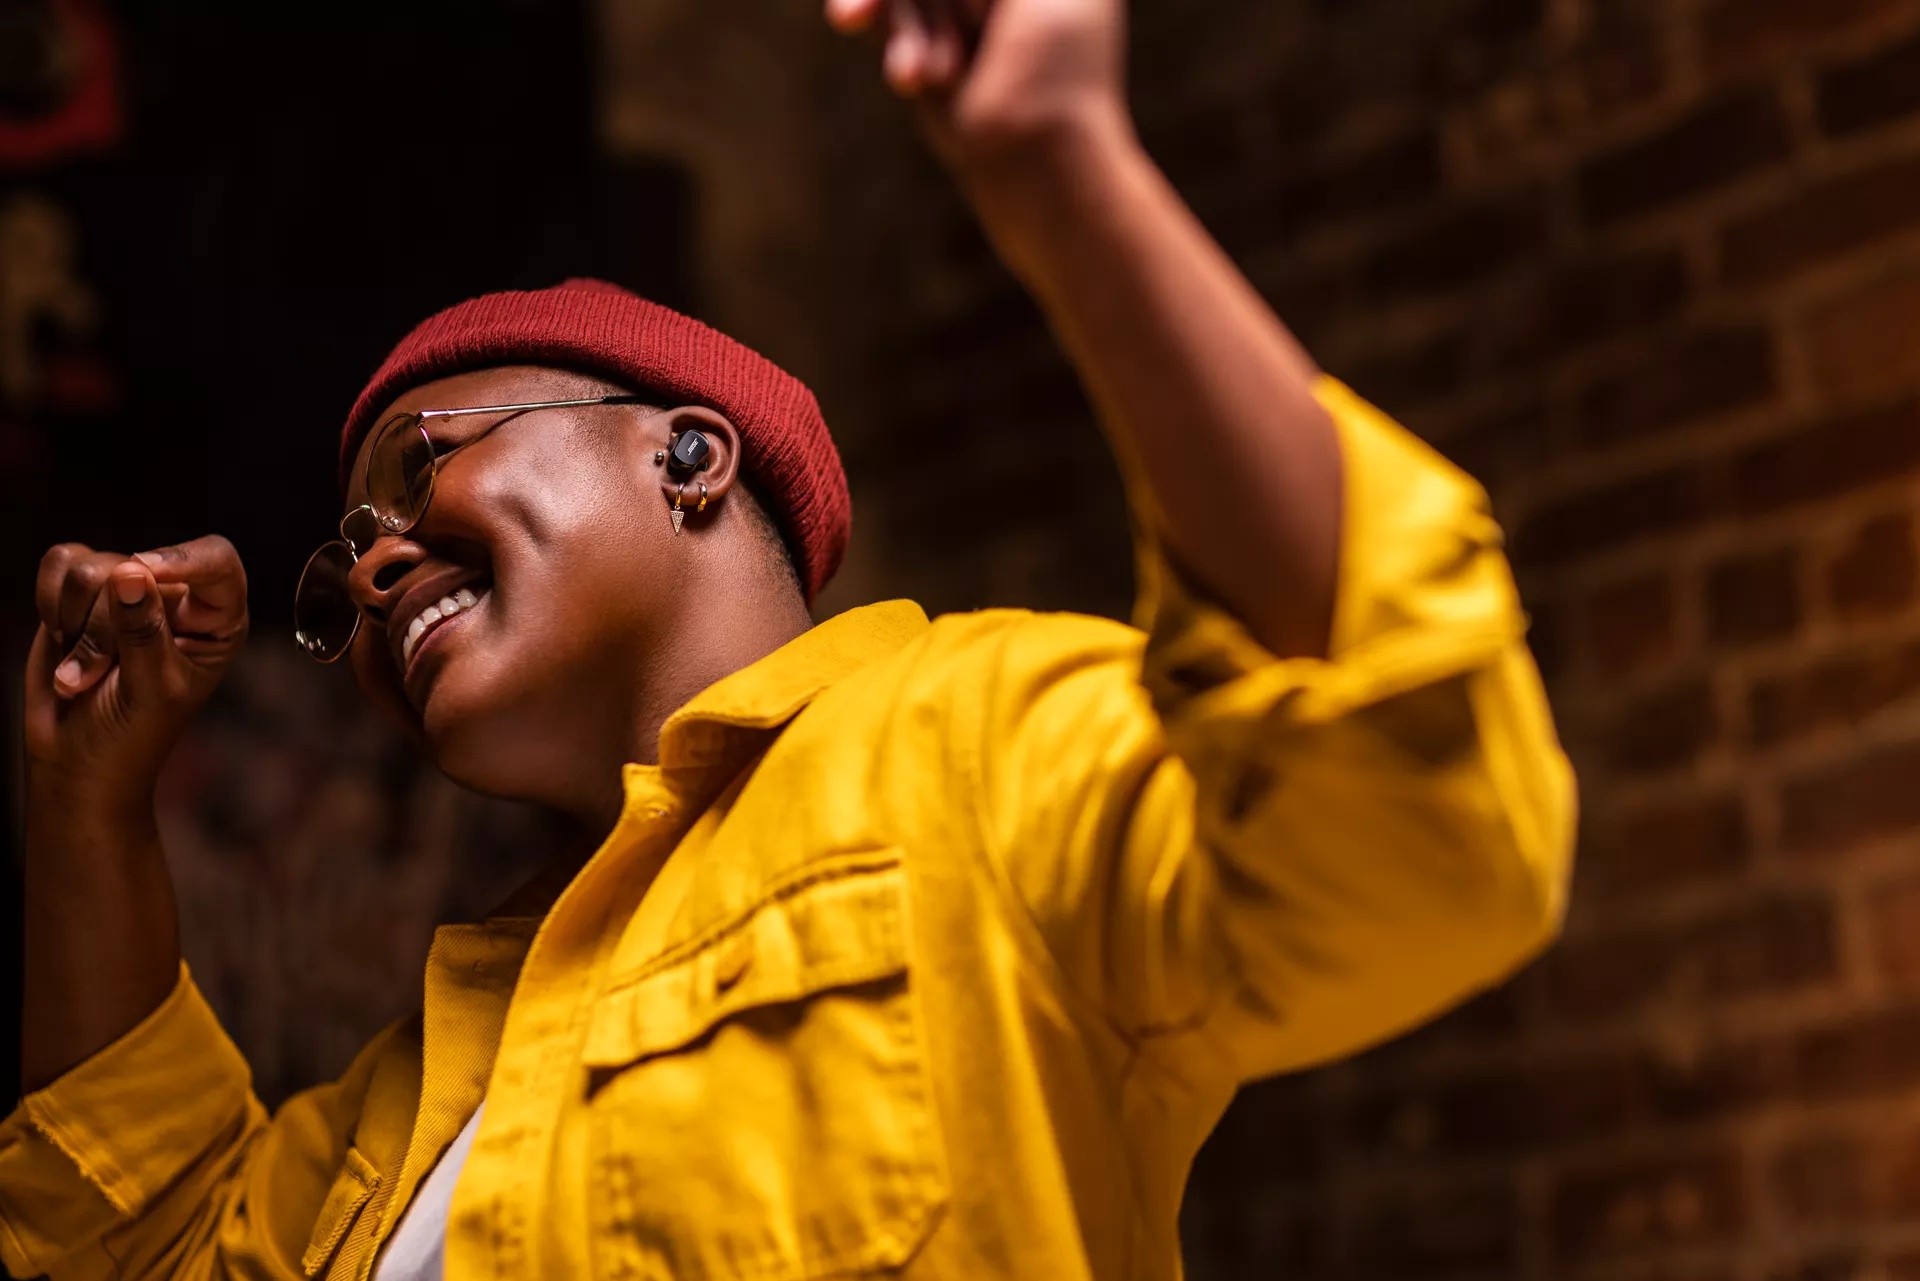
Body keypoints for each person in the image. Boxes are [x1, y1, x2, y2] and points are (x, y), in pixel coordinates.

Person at [0, 0, 1577, 1277]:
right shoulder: (416, 1082)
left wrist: (1064, 176)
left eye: (420, 471)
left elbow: (1402, 826)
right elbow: (133, 1256)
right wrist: (87, 807)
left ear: (687, 457)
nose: (378, 564)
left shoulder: (970, 750)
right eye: (344, 567)